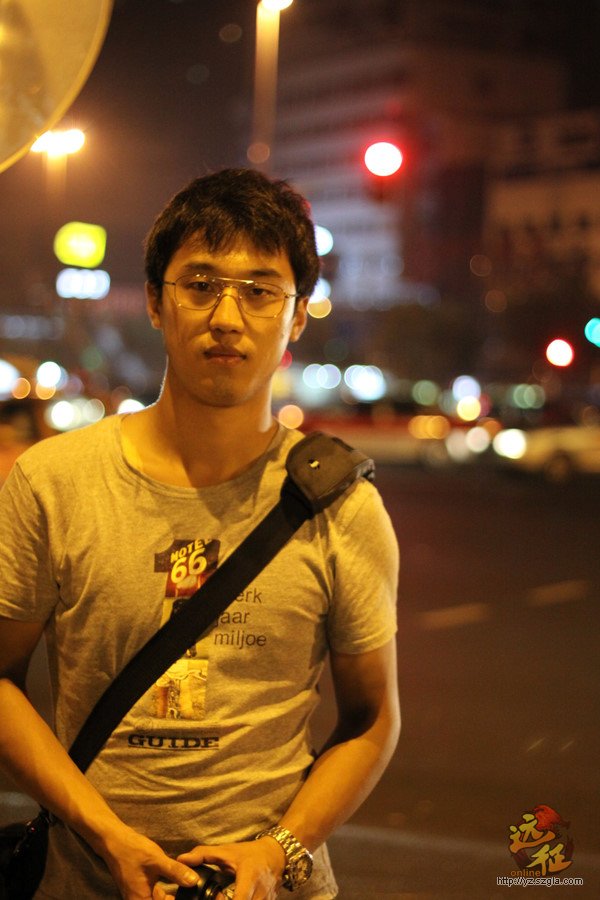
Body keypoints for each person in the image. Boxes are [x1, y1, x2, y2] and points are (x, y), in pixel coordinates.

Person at [0, 168, 400, 900]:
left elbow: (372, 720)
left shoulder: (339, 504)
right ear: (156, 301)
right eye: (200, 284)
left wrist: (276, 852)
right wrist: (105, 834)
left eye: (260, 290)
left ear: (297, 316)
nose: (227, 315)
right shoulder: (54, 482)